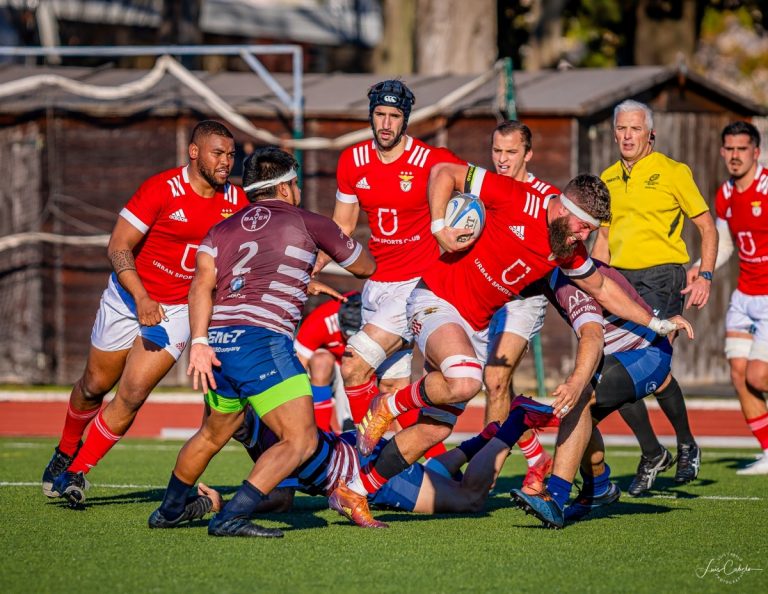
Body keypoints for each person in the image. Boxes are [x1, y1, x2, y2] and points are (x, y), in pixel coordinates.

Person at [329, 163, 693, 528]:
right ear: (564, 208)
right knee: (468, 380)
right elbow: (443, 171)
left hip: (470, 325)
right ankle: (388, 404)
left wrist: (657, 322)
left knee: (434, 430)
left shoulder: (567, 250)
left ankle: (357, 489)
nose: (583, 237)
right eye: (583, 226)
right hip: (436, 300)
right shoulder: (517, 197)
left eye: (590, 231)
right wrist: (439, 227)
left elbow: (602, 288)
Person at [148, 146, 375, 538]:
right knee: (301, 439)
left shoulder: (219, 231)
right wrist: (320, 255)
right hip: (262, 342)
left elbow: (201, 285)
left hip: (219, 342)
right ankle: (231, 516)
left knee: (212, 434)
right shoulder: (307, 221)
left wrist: (200, 341)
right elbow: (364, 266)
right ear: (286, 187)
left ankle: (169, 510)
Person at [43, 120, 247, 506]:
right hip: (128, 297)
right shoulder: (161, 189)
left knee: (133, 393)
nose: (225, 161)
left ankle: (78, 472)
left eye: (231, 155)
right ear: (194, 152)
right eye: (218, 153)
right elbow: (118, 246)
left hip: (176, 311)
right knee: (93, 386)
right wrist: (140, 298)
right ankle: (66, 449)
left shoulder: (236, 202)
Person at [314, 79, 463, 433]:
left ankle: (364, 456)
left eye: (393, 116)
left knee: (352, 365)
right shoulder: (353, 160)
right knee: (390, 390)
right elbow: (342, 227)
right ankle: (405, 472)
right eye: (379, 114)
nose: (385, 123)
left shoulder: (432, 160)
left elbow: (481, 191)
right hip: (376, 285)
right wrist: (310, 265)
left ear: (405, 119)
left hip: (416, 285)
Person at [592, 99, 717, 495]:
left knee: (643, 367)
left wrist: (706, 275)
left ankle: (683, 444)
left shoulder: (672, 171)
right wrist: (592, 284)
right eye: (621, 129)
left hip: (664, 277)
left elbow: (708, 228)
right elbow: (604, 240)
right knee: (616, 366)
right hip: (621, 281)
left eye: (635, 129)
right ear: (614, 132)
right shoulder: (607, 177)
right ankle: (653, 451)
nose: (627, 136)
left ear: (650, 134)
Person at [510, 261, 693, 528]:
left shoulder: (567, 279)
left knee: (578, 397)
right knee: (581, 420)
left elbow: (592, 336)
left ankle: (556, 499)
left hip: (645, 356)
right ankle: (597, 488)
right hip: (625, 355)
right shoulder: (553, 271)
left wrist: (576, 382)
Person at [195, 394, 558, 524]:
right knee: (431, 473)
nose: (217, 422)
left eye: (223, 414)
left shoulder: (271, 434)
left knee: (471, 498)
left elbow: (280, 499)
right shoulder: (264, 422)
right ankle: (486, 437)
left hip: (364, 473)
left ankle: (516, 422)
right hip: (358, 452)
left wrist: (224, 505)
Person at [483, 120, 558, 494]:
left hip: (524, 300)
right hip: (485, 297)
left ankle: (485, 476)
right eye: (497, 151)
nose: (502, 160)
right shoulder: (484, 191)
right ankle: (535, 455)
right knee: (493, 385)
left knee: (495, 380)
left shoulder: (547, 198)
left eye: (511, 153)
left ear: (528, 154)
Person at [689, 121, 768, 475]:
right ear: (722, 152)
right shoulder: (724, 194)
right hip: (744, 295)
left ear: (757, 152)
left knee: (758, 375)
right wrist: (699, 267)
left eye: (742, 149)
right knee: (738, 373)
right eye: (730, 149)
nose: (735, 156)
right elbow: (724, 242)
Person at [294, 292, 362, 431]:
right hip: (328, 371)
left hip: (357, 368)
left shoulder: (378, 322)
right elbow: (296, 367)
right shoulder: (321, 319)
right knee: (321, 362)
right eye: (347, 334)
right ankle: (320, 432)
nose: (350, 340)